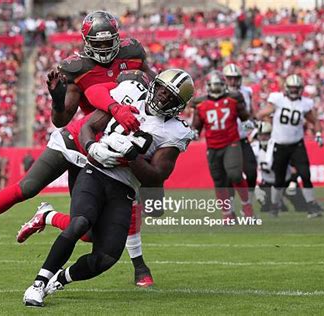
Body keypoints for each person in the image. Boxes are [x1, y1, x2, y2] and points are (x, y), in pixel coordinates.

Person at [0, 9, 156, 285]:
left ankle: (48, 216)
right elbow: (61, 119)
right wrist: (57, 98)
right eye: (98, 43)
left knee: (89, 231)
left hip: (101, 152)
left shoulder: (133, 53)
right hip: (75, 140)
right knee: (27, 187)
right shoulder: (77, 68)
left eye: (108, 42)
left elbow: (152, 84)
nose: (104, 49)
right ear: (86, 41)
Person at [23, 69, 195, 307]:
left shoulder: (176, 130)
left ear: (179, 105)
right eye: (164, 90)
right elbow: (88, 127)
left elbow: (155, 177)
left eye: (171, 97)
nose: (164, 98)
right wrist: (92, 146)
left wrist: (131, 156)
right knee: (80, 223)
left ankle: (60, 278)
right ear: (155, 85)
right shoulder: (130, 95)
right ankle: (38, 284)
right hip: (95, 173)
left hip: (124, 189)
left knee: (107, 257)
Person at [256, 74, 324, 217]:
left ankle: (311, 205)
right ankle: (275, 206)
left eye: (296, 88)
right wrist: (264, 120)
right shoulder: (278, 99)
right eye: (292, 88)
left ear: (301, 89)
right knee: (279, 179)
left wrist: (318, 134)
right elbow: (262, 113)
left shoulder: (304, 103)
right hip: (279, 145)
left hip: (297, 145)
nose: (294, 91)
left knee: (305, 174)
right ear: (286, 88)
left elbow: (315, 120)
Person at [192, 71, 254, 220]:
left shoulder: (233, 99)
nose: (216, 89)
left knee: (235, 174)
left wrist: (249, 127)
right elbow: (196, 128)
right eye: (214, 86)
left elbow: (245, 118)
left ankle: (247, 207)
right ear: (208, 87)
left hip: (231, 143)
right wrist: (191, 134)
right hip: (212, 146)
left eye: (219, 86)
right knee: (219, 181)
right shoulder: (200, 104)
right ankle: (227, 214)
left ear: (224, 86)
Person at [252, 122, 308, 213]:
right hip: (268, 183)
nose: (263, 137)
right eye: (261, 135)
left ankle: (285, 202)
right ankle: (279, 205)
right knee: (262, 199)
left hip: (286, 181)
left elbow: (295, 165)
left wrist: (293, 180)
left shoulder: (279, 146)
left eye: (266, 135)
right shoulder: (254, 148)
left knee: (301, 207)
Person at [223, 63, 257, 201]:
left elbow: (250, 113)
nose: (233, 81)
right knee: (228, 176)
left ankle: (247, 200)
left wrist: (253, 129)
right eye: (230, 78)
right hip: (226, 140)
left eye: (235, 78)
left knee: (251, 171)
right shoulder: (219, 93)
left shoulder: (247, 91)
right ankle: (229, 207)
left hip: (242, 138)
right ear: (225, 79)